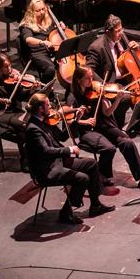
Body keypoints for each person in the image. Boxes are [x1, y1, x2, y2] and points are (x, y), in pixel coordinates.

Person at [23, 92, 113, 225]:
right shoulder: (33, 128)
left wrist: (76, 120)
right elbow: (46, 151)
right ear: (40, 108)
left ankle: (95, 205)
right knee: (82, 178)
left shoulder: (45, 121)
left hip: (57, 162)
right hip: (47, 170)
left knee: (92, 164)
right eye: (48, 105)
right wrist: (69, 150)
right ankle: (66, 213)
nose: (51, 107)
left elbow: (63, 137)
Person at [68, 65, 140, 189]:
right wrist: (84, 121)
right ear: (79, 80)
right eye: (88, 78)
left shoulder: (97, 90)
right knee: (109, 149)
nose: (91, 80)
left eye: (92, 77)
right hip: (89, 132)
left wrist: (117, 100)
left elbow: (107, 112)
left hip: (105, 126)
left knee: (127, 142)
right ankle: (102, 173)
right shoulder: (73, 98)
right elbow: (68, 121)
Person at [16, 0, 58, 83]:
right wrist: (42, 42)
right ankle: (44, 86)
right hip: (37, 53)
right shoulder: (26, 25)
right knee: (50, 70)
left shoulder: (48, 20)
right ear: (31, 12)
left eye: (43, 9)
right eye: (38, 10)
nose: (42, 12)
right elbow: (28, 39)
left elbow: (55, 31)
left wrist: (61, 27)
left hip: (51, 49)